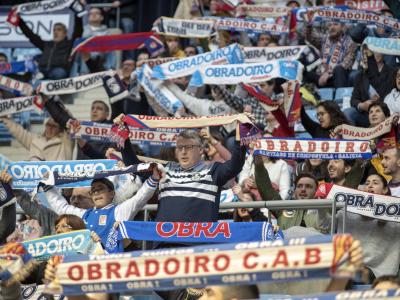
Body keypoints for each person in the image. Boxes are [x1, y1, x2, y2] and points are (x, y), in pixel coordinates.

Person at [42, 170, 160, 253]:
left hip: (116, 264)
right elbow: (61, 207)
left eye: (100, 189)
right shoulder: (85, 215)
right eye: (93, 191)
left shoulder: (119, 211)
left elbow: (140, 198)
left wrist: (154, 178)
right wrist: (47, 186)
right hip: (93, 266)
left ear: (111, 193)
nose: (97, 193)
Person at [318, 173, 400, 281]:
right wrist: (321, 205)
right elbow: (324, 226)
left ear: (385, 190)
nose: (370, 186)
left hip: (378, 274)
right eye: (367, 183)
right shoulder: (345, 212)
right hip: (345, 267)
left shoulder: (395, 221)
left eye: (375, 183)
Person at [16, 3, 83, 79]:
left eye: (59, 30)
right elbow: (30, 35)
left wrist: (77, 14)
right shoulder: (46, 44)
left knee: (59, 73)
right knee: (29, 71)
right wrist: (19, 21)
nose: (55, 32)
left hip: (58, 70)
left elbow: (78, 31)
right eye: (54, 30)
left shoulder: (69, 44)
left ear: (65, 33)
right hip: (42, 70)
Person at [254, 154, 320, 230]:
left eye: (308, 186)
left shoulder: (323, 212)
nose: (303, 189)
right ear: (294, 191)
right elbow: (266, 189)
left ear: (316, 191)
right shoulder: (283, 209)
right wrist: (259, 165)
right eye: (299, 186)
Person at [304, 21, 357, 88]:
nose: (332, 27)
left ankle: (340, 97)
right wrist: (309, 23)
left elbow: (346, 64)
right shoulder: (324, 39)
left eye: (335, 24)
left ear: (343, 27)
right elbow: (309, 37)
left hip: (337, 76)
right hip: (320, 76)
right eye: (330, 25)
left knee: (339, 69)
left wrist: (328, 73)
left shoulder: (350, 43)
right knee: (303, 70)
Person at [0, 116, 74, 161]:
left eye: (54, 126)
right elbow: (18, 132)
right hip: (36, 181)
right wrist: (5, 119)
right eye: (48, 125)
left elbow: (70, 125)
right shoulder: (36, 140)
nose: (50, 128)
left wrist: (62, 112)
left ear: (60, 129)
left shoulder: (65, 142)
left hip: (57, 182)